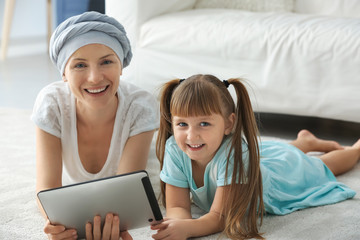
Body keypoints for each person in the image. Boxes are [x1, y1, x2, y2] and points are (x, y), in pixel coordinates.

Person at [152, 74, 359, 240]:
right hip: (253, 164)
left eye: (204, 123)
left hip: (274, 181)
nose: (191, 135)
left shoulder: (234, 154)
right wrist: (178, 225)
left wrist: (191, 229)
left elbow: (221, 217)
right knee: (278, 153)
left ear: (229, 124)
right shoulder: (175, 148)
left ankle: (355, 149)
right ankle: (304, 143)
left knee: (319, 166)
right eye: (182, 124)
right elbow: (177, 206)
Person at [31, 12, 159, 240]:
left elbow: (123, 198)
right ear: (63, 74)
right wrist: (57, 225)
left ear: (121, 65)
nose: (94, 77)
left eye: (106, 62)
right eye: (79, 65)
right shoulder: (51, 104)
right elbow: (46, 190)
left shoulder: (141, 107)